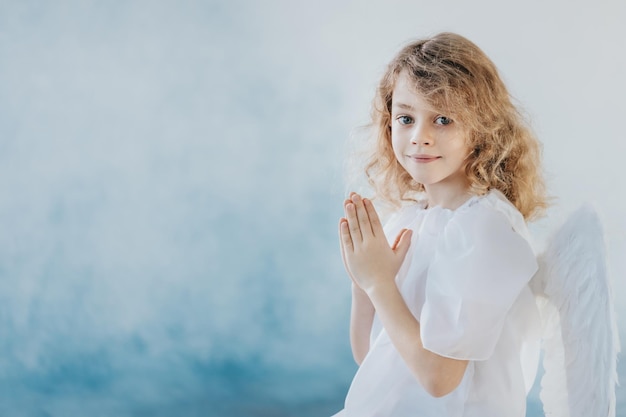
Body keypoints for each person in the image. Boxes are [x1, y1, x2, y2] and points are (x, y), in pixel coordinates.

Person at [334, 32, 547, 417]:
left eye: (443, 119)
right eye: (406, 118)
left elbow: (438, 378)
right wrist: (362, 284)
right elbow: (375, 362)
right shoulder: (413, 218)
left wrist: (380, 283)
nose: (420, 137)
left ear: (482, 128)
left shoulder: (484, 229)